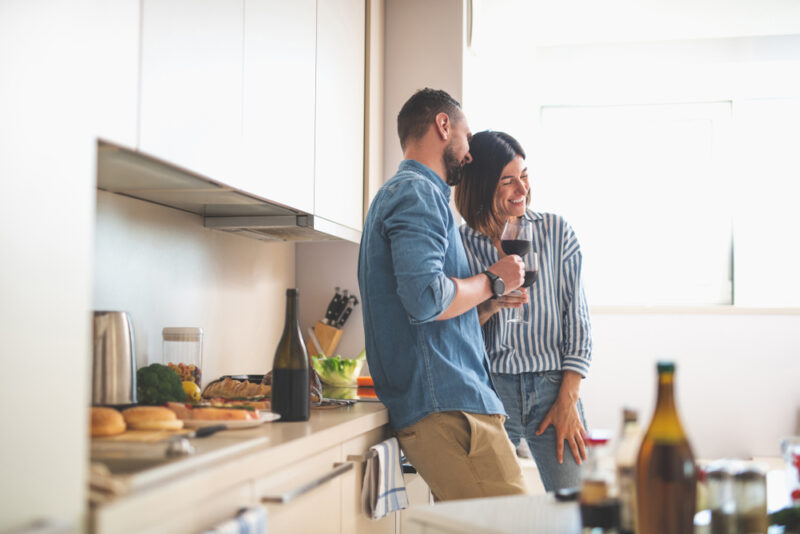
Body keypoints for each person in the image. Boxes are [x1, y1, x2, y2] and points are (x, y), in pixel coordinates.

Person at [357, 89, 529, 501]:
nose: (469, 154)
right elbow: (426, 299)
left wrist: (485, 302)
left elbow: (428, 301)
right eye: (467, 138)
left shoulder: (409, 194)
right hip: (450, 409)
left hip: (451, 405)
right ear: (443, 125)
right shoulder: (419, 193)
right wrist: (494, 279)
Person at [454, 130, 593, 492]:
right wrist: (489, 304)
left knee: (577, 506)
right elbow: (458, 330)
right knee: (487, 511)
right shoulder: (462, 244)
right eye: (508, 180)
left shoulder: (557, 232)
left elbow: (577, 321)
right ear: (484, 185)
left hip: (553, 390)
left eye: (525, 176)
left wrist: (569, 399)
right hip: (490, 391)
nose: (522, 189)